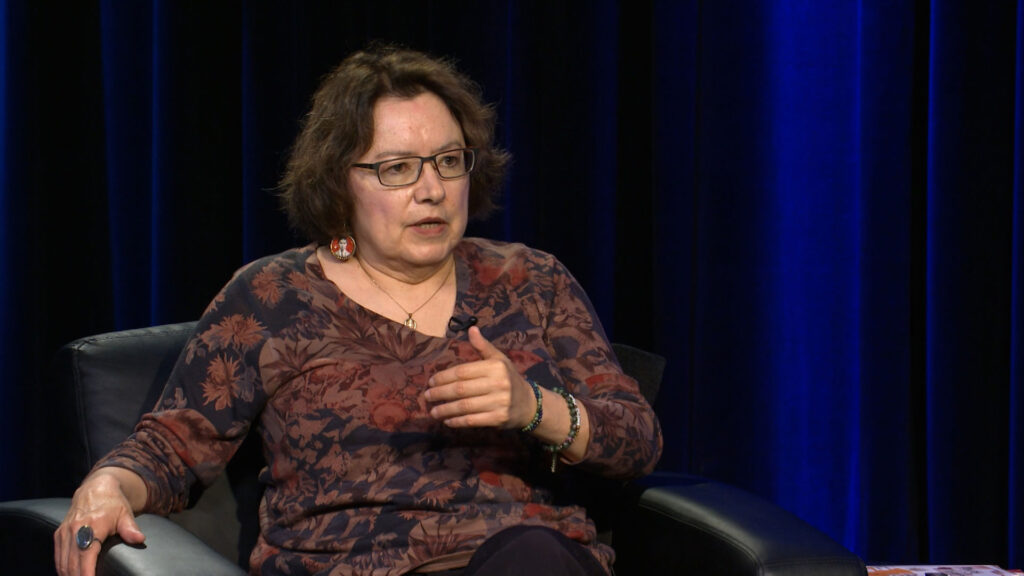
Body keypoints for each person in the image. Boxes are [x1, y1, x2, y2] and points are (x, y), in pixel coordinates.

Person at [54, 44, 662, 576]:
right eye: (397, 169)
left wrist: (535, 409)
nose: (432, 189)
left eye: (449, 161)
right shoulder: (274, 296)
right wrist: (106, 486)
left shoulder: (530, 279)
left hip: (526, 561)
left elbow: (637, 440)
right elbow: (171, 446)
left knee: (534, 554)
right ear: (339, 183)